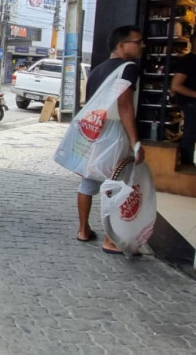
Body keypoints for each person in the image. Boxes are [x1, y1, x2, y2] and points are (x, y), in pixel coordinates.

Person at [76, 25, 145, 254]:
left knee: (88, 181)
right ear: (122, 45)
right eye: (138, 41)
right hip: (115, 131)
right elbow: (124, 104)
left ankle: (83, 230)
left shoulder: (97, 69)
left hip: (95, 129)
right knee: (115, 183)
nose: (142, 45)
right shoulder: (129, 68)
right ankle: (110, 240)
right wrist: (135, 142)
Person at [171, 32, 196, 166]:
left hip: (191, 102)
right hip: (190, 103)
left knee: (191, 133)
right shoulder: (188, 61)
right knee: (190, 133)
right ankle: (187, 165)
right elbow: (175, 85)